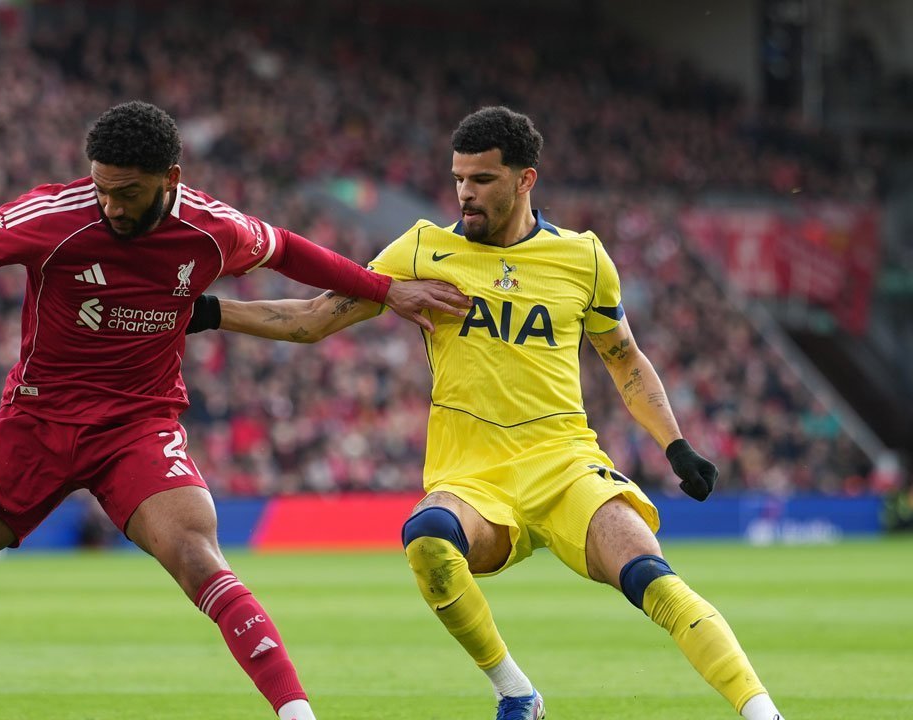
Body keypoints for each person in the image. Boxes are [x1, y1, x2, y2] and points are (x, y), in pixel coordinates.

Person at [0, 101, 467, 720]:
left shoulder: (213, 229)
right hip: (34, 424)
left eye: (128, 192)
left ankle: (298, 714)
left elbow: (293, 254)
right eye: (102, 187)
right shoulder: (51, 217)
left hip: (137, 429)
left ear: (172, 180)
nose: (111, 205)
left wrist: (387, 290)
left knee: (199, 558)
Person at [187, 106, 787, 720]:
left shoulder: (583, 258)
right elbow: (316, 318)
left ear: (525, 180)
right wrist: (207, 311)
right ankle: (516, 692)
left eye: (482, 180)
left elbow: (624, 359)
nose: (465, 195)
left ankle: (763, 713)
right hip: (470, 476)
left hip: (565, 465)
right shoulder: (422, 248)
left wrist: (675, 444)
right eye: (458, 179)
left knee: (652, 578)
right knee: (426, 541)